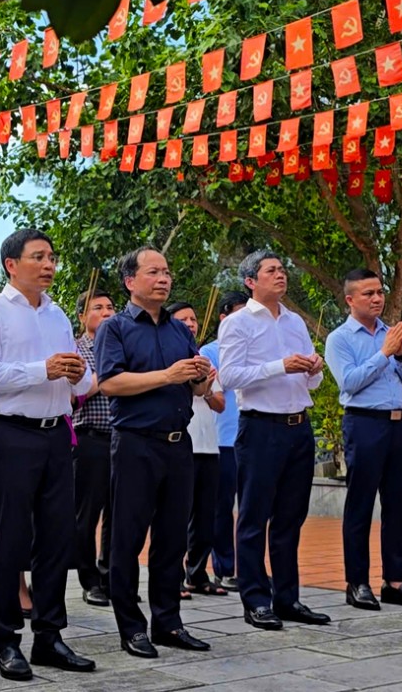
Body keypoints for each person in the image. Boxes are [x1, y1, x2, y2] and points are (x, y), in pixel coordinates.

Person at [0, 229, 97, 681]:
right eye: (38, 257)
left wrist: (78, 373)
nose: (49, 265)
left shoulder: (59, 315)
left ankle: (49, 635)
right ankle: (5, 640)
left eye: (52, 257)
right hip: (11, 434)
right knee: (12, 539)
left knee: (57, 538)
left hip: (56, 434)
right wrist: (42, 369)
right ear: (10, 264)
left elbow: (81, 384)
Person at [96, 248, 213, 660]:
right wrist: (168, 375)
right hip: (135, 444)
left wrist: (201, 379)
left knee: (171, 539)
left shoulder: (180, 331)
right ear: (131, 281)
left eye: (166, 271)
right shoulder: (115, 328)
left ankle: (169, 622)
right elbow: (109, 383)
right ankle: (131, 626)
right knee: (127, 540)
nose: (163, 278)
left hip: (179, 444)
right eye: (153, 272)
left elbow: (196, 390)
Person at [217, 250, 331, 631]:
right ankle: (255, 599)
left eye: (283, 269)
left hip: (299, 426)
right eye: (271, 270)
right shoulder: (237, 324)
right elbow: (230, 376)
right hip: (260, 427)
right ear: (251, 281)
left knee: (290, 519)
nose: (281, 275)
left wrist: (314, 368)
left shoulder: (296, 321)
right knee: (254, 517)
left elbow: (309, 379)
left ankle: (288, 597)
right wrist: (280, 365)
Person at [324, 269, 402, 612]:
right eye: (368, 293)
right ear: (350, 300)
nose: (376, 299)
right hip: (364, 424)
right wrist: (384, 353)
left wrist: (401, 355)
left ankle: (395, 581)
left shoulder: (393, 334)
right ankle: (357, 582)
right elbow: (350, 382)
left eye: (379, 292)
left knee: (398, 505)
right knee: (360, 505)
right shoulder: (340, 339)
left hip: (399, 425)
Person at [164, 301, 228, 599]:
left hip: (208, 445)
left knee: (205, 515)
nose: (190, 323)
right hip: (181, 443)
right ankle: (172, 576)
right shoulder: (168, 357)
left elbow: (219, 403)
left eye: (193, 318)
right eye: (183, 319)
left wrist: (207, 383)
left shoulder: (203, 359)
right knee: (176, 514)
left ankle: (197, 573)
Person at [199, 291, 248, 591]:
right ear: (224, 317)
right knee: (222, 507)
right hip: (224, 439)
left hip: (253, 437)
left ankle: (250, 567)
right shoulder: (210, 352)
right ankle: (224, 567)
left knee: (252, 507)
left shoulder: (257, 348)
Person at [72, 289, 117, 607]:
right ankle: (89, 580)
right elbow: (77, 394)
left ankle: (111, 576)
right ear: (81, 316)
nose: (106, 312)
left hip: (123, 439)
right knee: (86, 515)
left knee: (119, 513)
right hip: (89, 438)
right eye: (97, 307)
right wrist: (113, 377)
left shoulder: (123, 348)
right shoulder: (75, 350)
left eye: (110, 307)